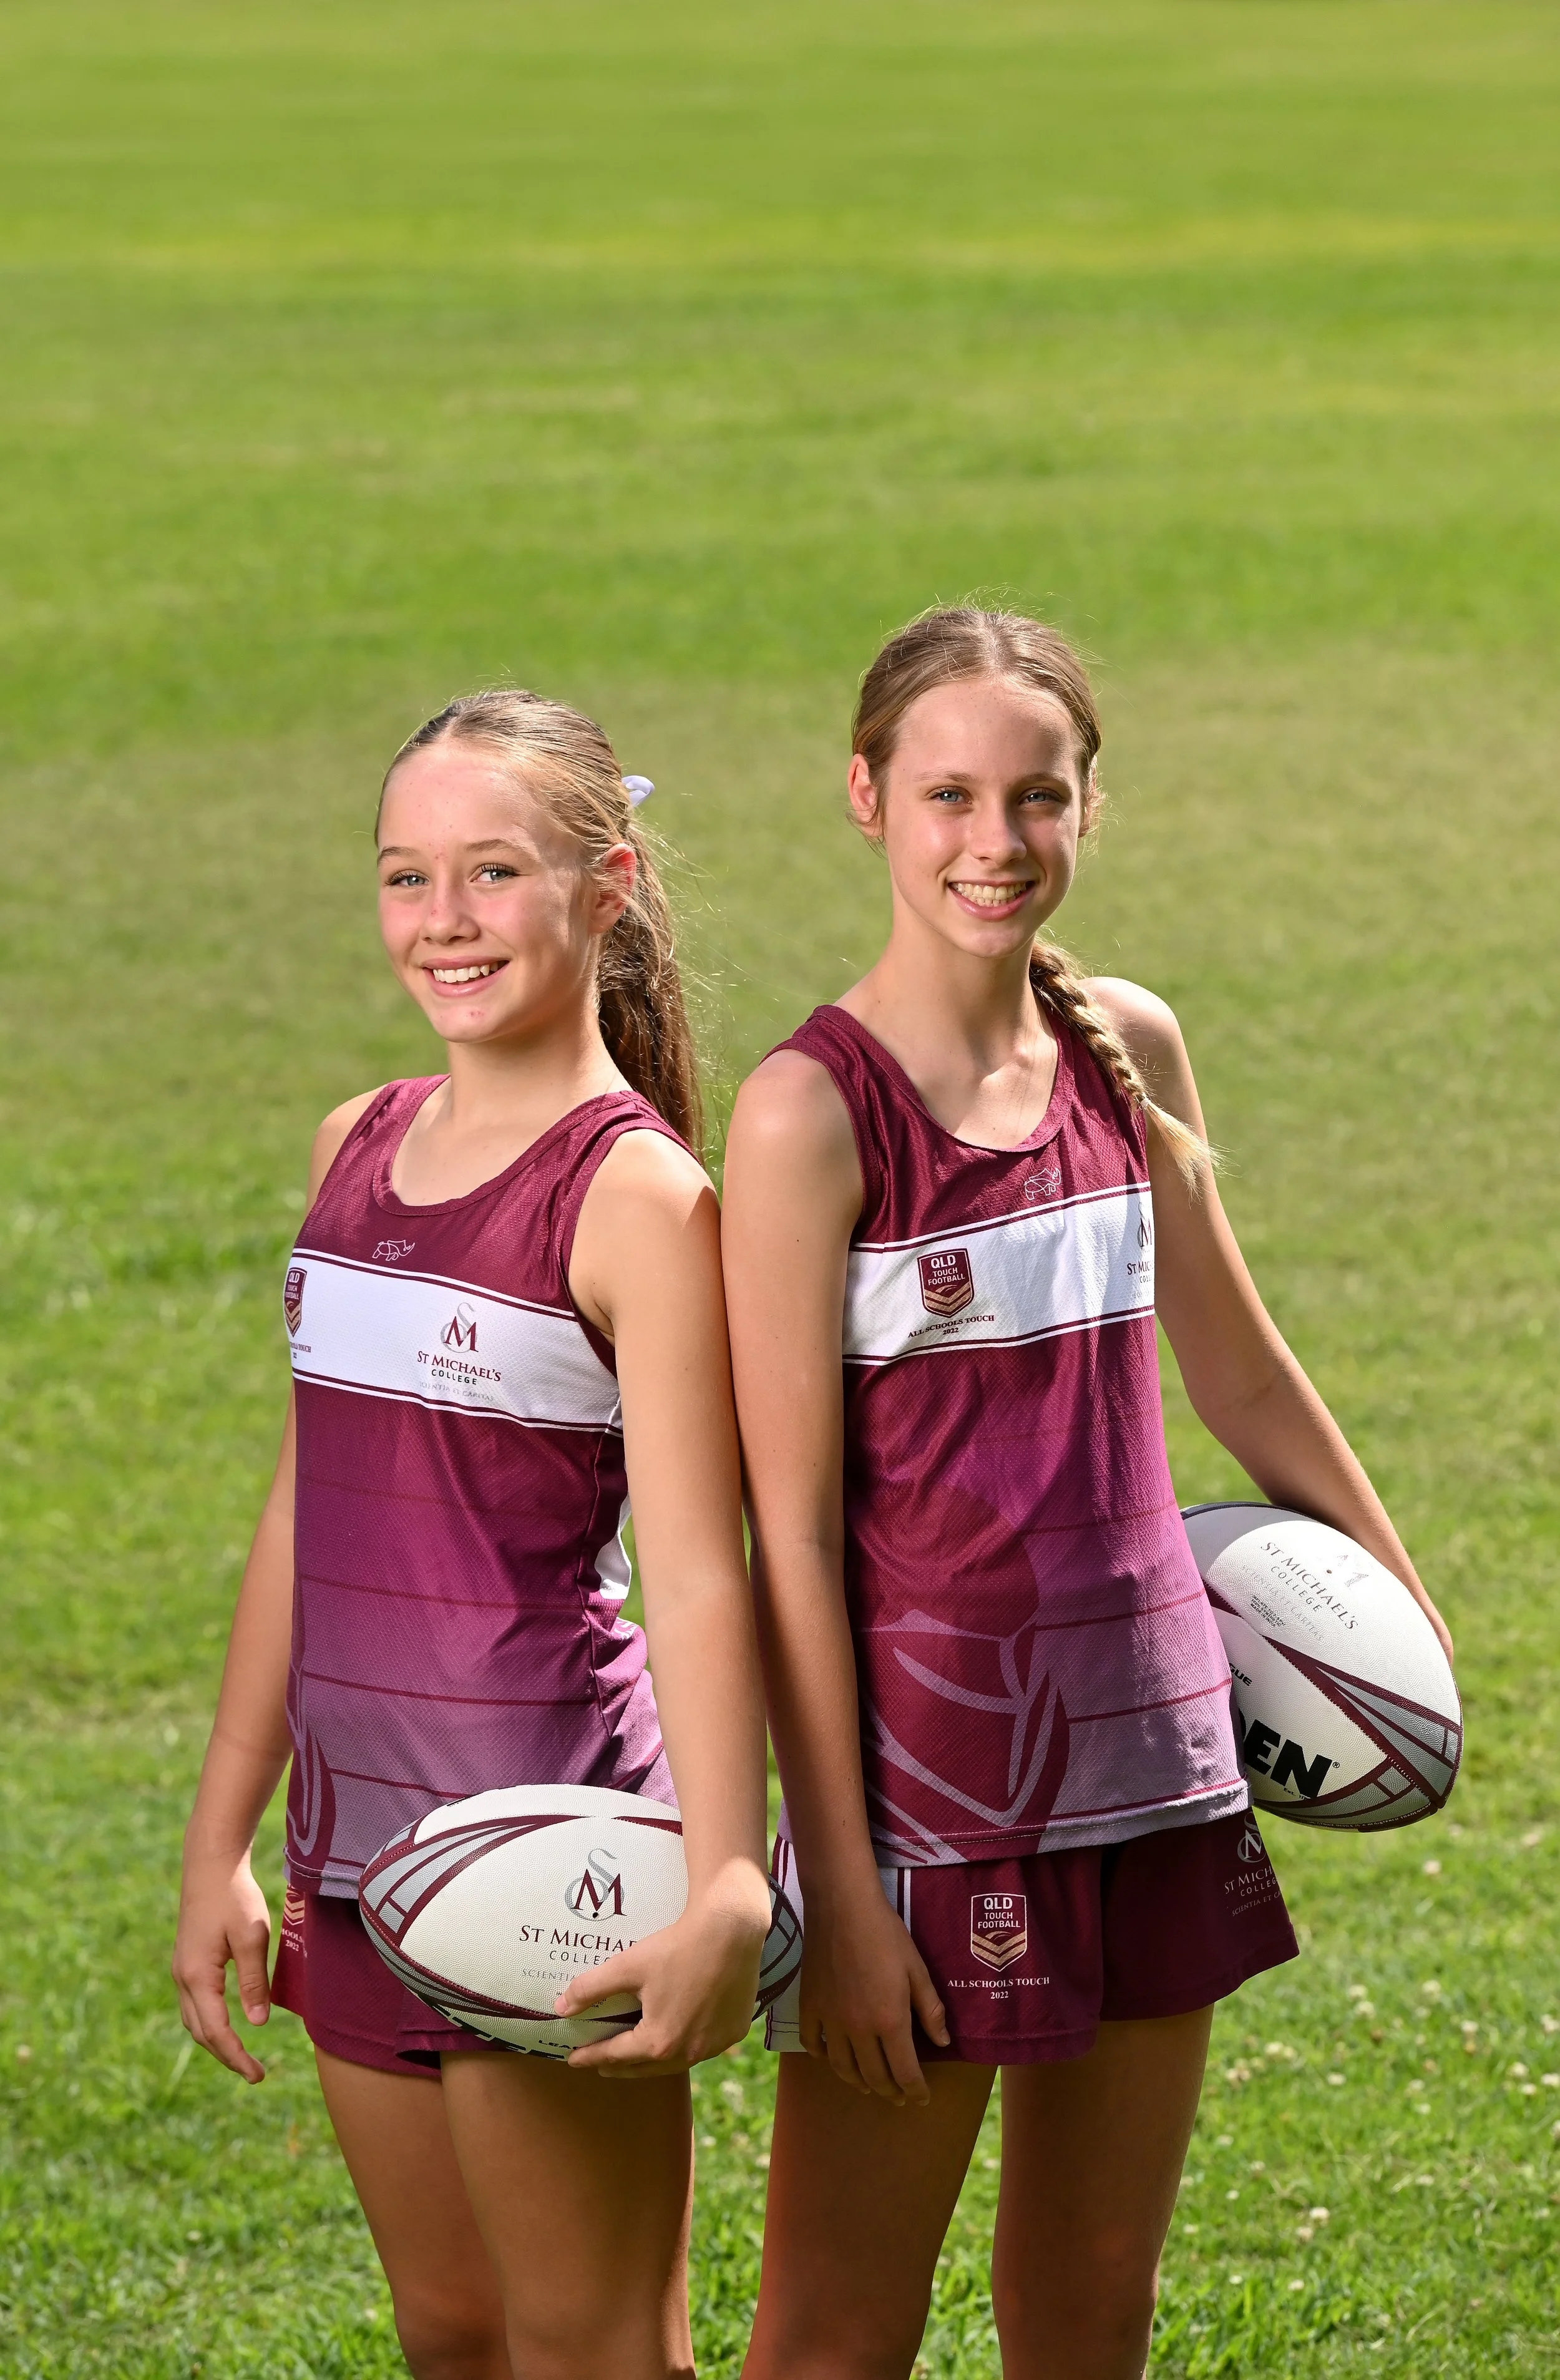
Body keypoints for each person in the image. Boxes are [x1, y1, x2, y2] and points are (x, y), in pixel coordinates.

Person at [721, 608, 1453, 2380]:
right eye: (949, 794)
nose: (995, 840)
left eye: (1035, 796)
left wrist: (1405, 1615)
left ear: (1086, 807)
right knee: (833, 2331)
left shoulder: (1127, 1049)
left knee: (1088, 2311)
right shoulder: (808, 1117)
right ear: (865, 798)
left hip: (1155, 1766)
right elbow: (787, 1538)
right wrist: (840, 1876)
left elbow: (1244, 1370)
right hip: (928, 1812)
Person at [172, 691, 773, 2380]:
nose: (443, 919)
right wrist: (227, 1828)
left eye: (492, 871)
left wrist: (724, 1865)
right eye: (404, 875)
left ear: (607, 888)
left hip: (546, 1855)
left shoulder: (637, 1195)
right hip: (351, 1854)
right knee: (449, 2330)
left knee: (591, 2347)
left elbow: (701, 1566)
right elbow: (308, 1496)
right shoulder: (353, 1143)